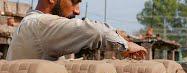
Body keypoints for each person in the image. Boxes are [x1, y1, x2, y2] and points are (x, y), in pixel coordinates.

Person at [6, 0, 147, 61]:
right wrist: (126, 45)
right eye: (74, 2)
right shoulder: (40, 24)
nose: (78, 11)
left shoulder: (30, 24)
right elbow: (94, 31)